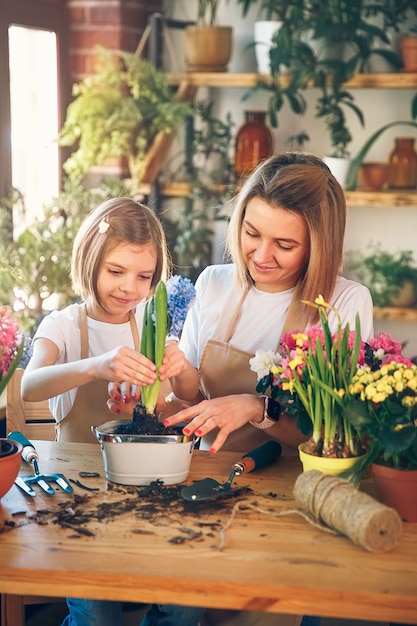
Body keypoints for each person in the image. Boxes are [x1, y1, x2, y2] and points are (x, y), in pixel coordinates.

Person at [108, 153, 374, 626]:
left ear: (320, 243)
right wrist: (154, 395)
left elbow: (339, 437)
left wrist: (256, 406)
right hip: (213, 484)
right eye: (251, 234)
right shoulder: (215, 284)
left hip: (301, 491)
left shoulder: (343, 303)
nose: (261, 256)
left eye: (285, 244)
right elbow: (187, 403)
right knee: (177, 610)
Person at [21, 197, 206, 626]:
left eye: (145, 276)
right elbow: (31, 385)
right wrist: (94, 367)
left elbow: (191, 392)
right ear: (90, 262)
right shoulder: (63, 325)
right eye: (116, 272)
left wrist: (179, 369)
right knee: (95, 617)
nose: (130, 288)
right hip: (79, 494)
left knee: (185, 605)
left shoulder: (151, 320)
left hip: (148, 490)